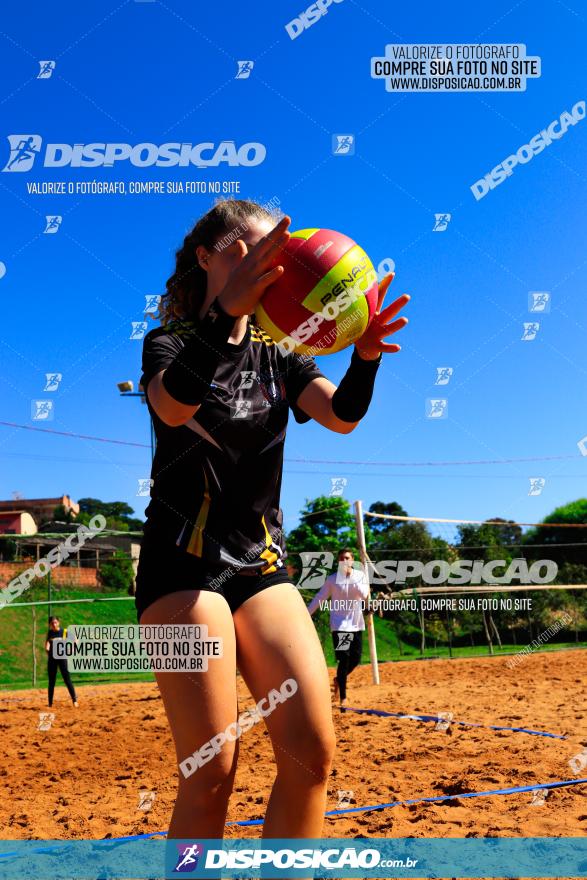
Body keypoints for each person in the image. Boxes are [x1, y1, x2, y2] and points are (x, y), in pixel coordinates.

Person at [134, 199, 409, 845]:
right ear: (207, 257)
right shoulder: (170, 342)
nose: (269, 267)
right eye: (251, 251)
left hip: (259, 565)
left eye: (278, 258)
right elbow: (173, 407)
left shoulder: (280, 355)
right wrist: (227, 313)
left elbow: (341, 416)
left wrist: (364, 355)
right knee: (211, 770)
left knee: (310, 753)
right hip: (181, 566)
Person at [307, 549, 369, 707]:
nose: (344, 561)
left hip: (356, 624)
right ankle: (343, 697)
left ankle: (338, 680)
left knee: (355, 659)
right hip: (340, 625)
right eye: (341, 558)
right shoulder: (332, 580)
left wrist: (351, 577)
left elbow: (363, 594)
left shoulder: (360, 577)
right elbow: (320, 597)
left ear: (352, 560)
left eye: (347, 558)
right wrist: (307, 614)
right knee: (344, 658)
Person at [45, 616, 78, 708]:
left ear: (58, 622)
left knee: (67, 679)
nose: (54, 624)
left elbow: (75, 640)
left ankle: (74, 700)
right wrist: (47, 650)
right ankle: (50, 704)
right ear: (50, 624)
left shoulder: (64, 632)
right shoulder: (50, 633)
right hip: (52, 659)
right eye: (52, 623)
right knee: (51, 681)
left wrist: (72, 650)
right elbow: (47, 643)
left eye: (55, 622)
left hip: (62, 657)